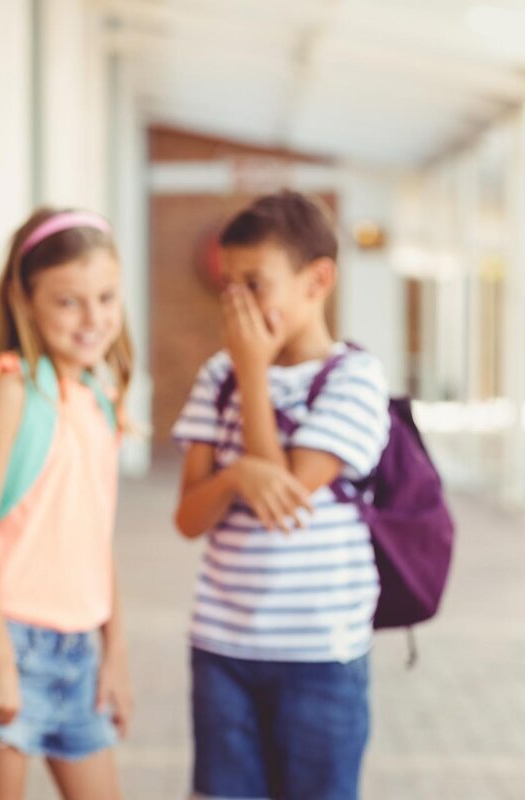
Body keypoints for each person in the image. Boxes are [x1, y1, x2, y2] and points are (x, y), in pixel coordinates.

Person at [172, 190, 391, 800]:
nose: (237, 303)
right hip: (223, 648)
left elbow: (284, 499)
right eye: (228, 286)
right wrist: (234, 476)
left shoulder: (354, 378)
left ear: (317, 280)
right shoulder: (216, 377)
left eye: (255, 284)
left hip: (321, 654)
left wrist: (252, 372)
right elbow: (189, 518)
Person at [0, 208, 134, 800]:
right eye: (68, 302)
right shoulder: (10, 392)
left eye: (106, 298)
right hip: (8, 642)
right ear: (24, 300)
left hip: (82, 649)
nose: (93, 319)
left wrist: (115, 653)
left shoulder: (100, 397)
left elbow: (97, 538)